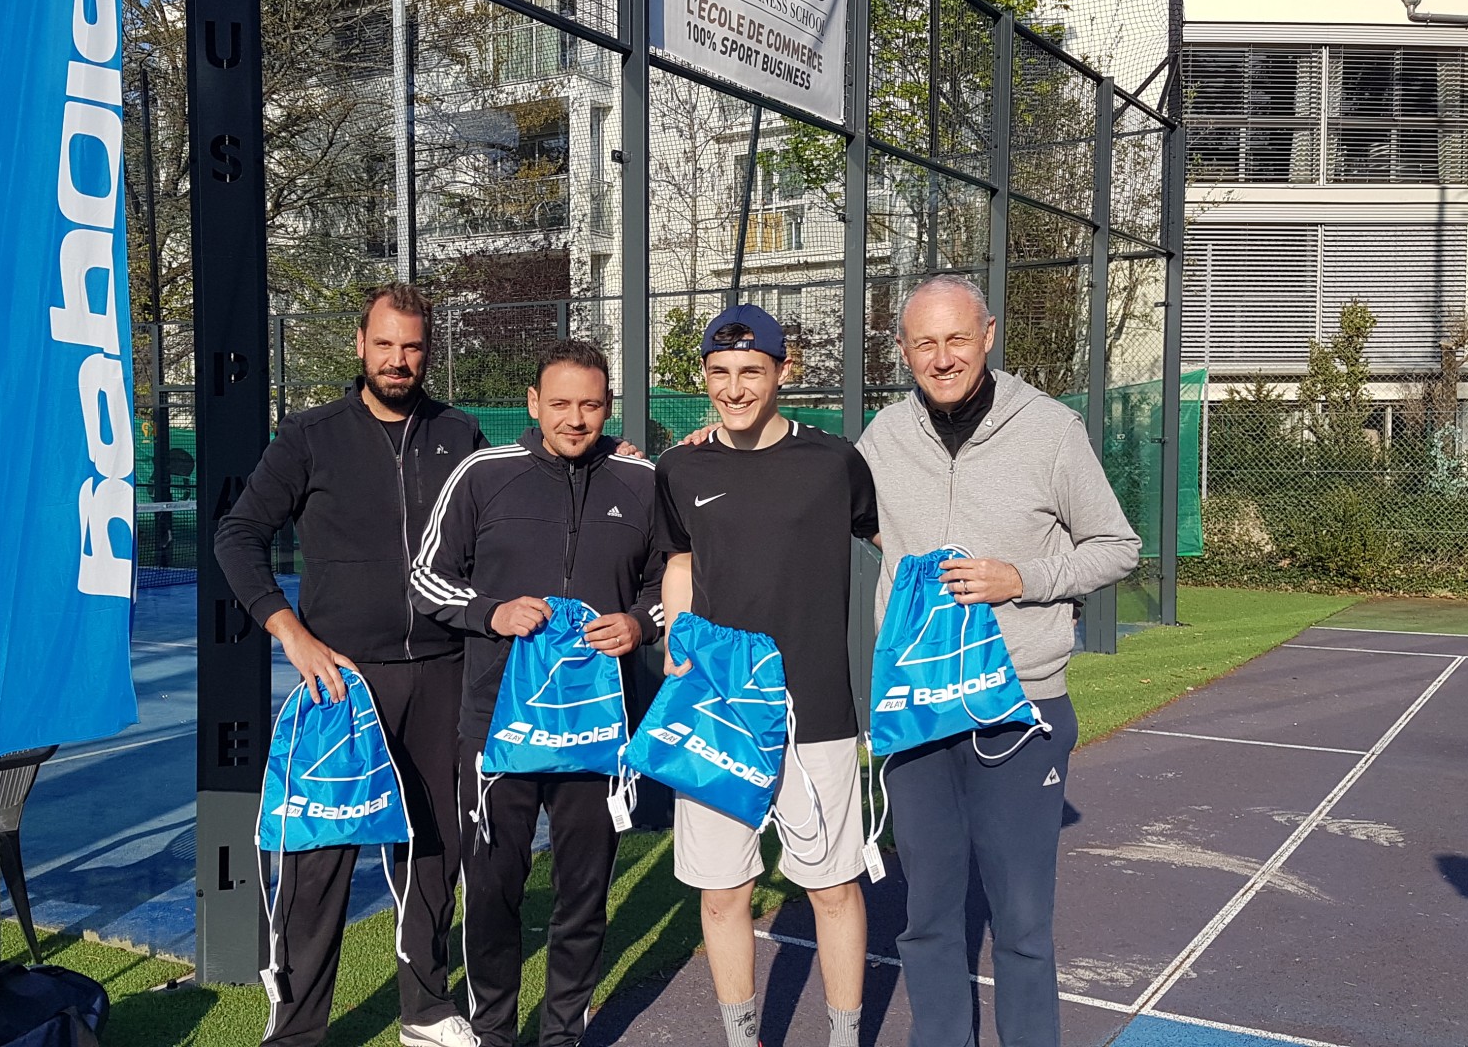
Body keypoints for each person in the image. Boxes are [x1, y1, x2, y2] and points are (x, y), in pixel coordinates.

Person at [855, 274, 1140, 1047]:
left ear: (987, 335)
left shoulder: (1049, 430)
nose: (942, 357)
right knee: (926, 915)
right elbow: (816, 492)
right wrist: (719, 444)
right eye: (924, 343)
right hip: (919, 706)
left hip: (1020, 706)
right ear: (903, 350)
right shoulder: (884, 437)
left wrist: (1023, 579)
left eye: (956, 338)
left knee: (1020, 921)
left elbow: (1117, 546)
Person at [215, 283, 486, 1047]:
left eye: (412, 347)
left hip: (443, 671)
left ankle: (425, 1010)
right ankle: (296, 1032)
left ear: (428, 351)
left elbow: (512, 504)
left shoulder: (460, 435)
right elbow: (237, 536)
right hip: (342, 680)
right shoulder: (310, 436)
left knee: (432, 851)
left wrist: (610, 455)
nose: (399, 360)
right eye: (385, 344)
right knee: (319, 859)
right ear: (360, 345)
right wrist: (290, 634)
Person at [409, 339, 668, 1047]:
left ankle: (561, 1035)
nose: (575, 419)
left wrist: (640, 623)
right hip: (498, 727)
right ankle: (494, 1031)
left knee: (583, 892)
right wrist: (490, 612)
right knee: (493, 888)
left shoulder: (641, 482)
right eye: (560, 404)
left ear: (608, 406)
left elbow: (672, 582)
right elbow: (426, 576)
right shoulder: (482, 474)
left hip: (597, 730)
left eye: (590, 405)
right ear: (533, 403)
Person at [655, 304, 878, 1047]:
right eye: (720, 372)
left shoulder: (834, 462)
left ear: (785, 371)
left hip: (816, 708)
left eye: (751, 371)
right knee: (724, 894)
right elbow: (680, 560)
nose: (735, 388)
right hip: (717, 710)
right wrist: (676, 643)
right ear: (704, 377)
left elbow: (893, 538)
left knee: (832, 887)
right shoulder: (680, 466)